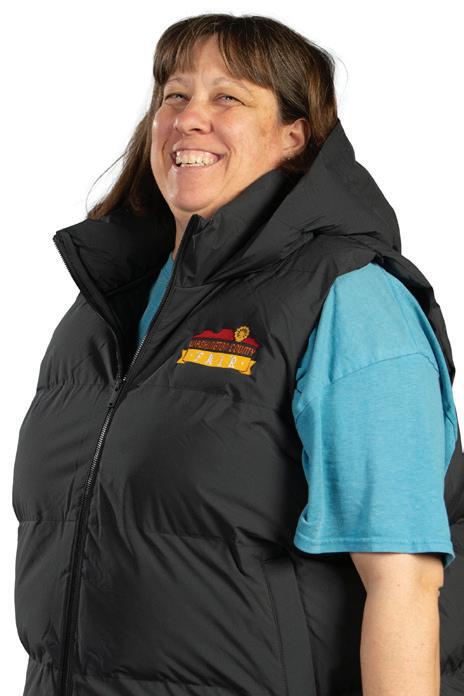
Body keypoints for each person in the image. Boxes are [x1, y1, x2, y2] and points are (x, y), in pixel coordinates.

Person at [12, 13, 464, 696]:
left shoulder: (349, 299)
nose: (189, 118)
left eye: (228, 97)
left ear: (294, 137)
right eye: (174, 95)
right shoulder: (105, 309)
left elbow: (405, 583)